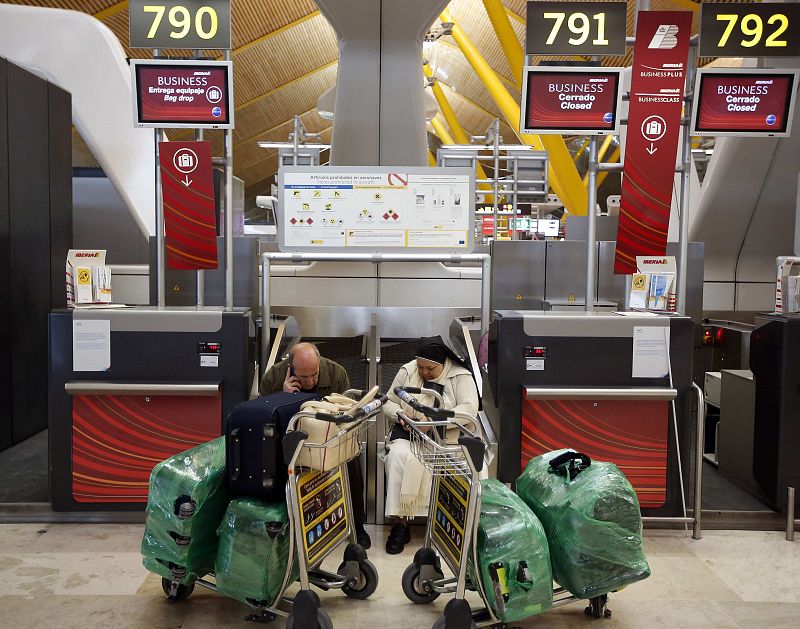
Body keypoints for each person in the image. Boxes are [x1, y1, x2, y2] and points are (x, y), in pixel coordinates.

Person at [260, 342, 371, 549]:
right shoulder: (273, 378)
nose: (310, 381)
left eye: (314, 374)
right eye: (303, 377)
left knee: (351, 459)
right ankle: (281, 521)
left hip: (329, 436)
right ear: (290, 368)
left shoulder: (336, 373)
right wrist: (283, 396)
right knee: (271, 459)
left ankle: (357, 524)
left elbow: (348, 411)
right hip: (290, 437)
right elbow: (263, 416)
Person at [382, 336, 479, 554]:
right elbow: (387, 400)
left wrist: (433, 421)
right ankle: (400, 524)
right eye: (421, 367)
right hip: (412, 436)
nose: (424, 373)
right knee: (398, 456)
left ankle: (450, 524)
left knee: (458, 467)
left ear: (443, 364)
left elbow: (469, 408)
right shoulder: (408, 371)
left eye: (430, 369)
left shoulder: (460, 376)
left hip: (447, 439)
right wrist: (400, 416)